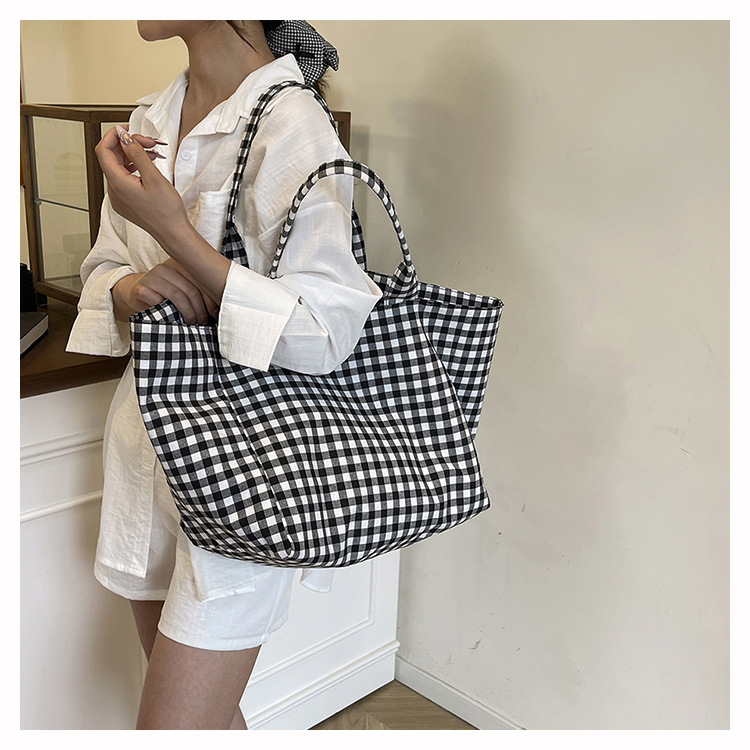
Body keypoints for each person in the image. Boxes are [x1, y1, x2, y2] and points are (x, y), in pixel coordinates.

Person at [66, 20, 382, 730]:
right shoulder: (151, 116)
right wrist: (127, 288)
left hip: (245, 471)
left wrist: (174, 231)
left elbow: (325, 330)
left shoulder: (291, 122)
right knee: (205, 721)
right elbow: (106, 264)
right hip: (149, 450)